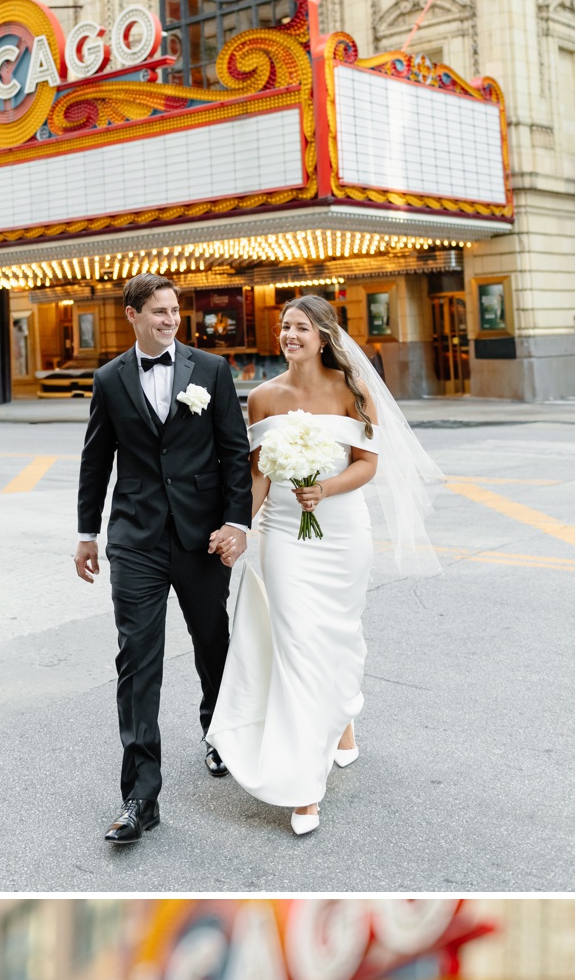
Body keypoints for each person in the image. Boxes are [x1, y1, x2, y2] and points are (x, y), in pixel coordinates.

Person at [206, 294, 443, 837]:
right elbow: (260, 475)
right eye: (284, 327)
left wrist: (324, 488)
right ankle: (304, 787)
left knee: (337, 636)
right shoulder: (263, 398)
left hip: (342, 533)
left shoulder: (353, 391)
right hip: (284, 537)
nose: (289, 335)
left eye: (300, 328)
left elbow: (367, 463)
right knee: (297, 648)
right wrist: (239, 527)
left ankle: (342, 721)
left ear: (324, 336)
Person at [74, 277, 253, 845]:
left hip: (202, 537)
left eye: (175, 311)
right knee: (137, 662)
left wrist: (236, 522)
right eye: (157, 312)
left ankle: (218, 734)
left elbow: (233, 452)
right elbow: (95, 461)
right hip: (136, 539)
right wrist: (87, 534)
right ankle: (140, 797)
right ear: (132, 315)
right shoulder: (109, 379)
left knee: (212, 642)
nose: (170, 320)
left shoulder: (212, 370)